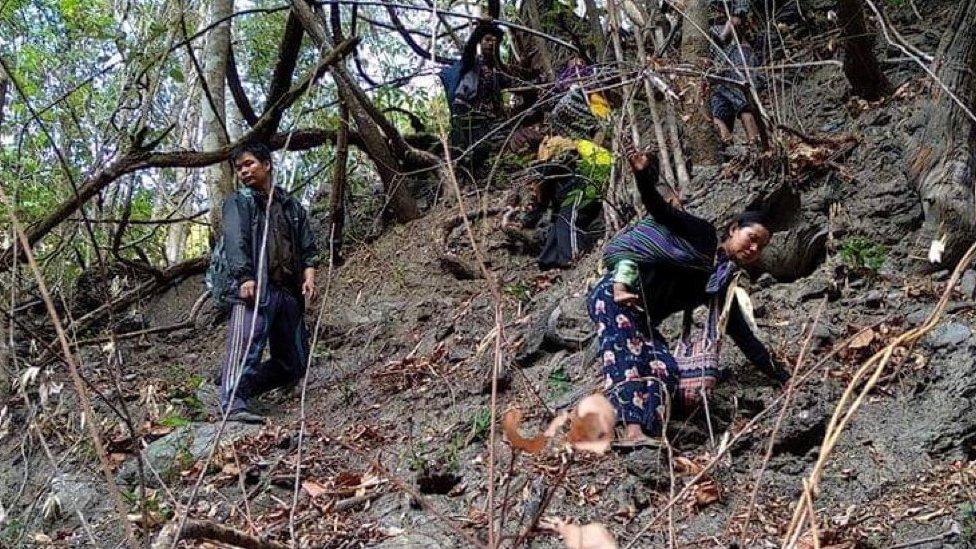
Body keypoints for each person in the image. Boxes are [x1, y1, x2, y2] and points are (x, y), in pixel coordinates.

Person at [586, 151, 788, 445]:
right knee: (628, 354)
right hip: (614, 295)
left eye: (761, 247)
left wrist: (781, 376)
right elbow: (661, 211)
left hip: (641, 315)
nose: (755, 248)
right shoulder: (702, 235)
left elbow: (741, 334)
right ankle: (631, 432)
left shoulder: (717, 283)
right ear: (733, 230)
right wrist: (643, 177)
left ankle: (646, 432)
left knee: (664, 368)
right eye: (752, 237)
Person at [218, 142, 318, 423]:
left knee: (293, 363)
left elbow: (306, 245)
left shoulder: (291, 206)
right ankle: (232, 402)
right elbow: (235, 241)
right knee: (246, 344)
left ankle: (240, 386)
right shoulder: (239, 202)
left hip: (287, 291)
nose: (244, 171)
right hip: (255, 286)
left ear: (267, 165)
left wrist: (309, 273)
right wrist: (245, 276)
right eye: (239, 168)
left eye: (249, 164)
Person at [447, 20, 513, 176]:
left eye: (494, 42)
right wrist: (482, 28)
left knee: (483, 147)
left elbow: (511, 82)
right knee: (459, 147)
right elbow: (470, 46)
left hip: (481, 116)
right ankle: (458, 176)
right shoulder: (471, 62)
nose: (491, 44)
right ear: (480, 42)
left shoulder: (496, 71)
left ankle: (469, 172)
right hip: (463, 108)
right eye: (487, 40)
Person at [707, 0, 766, 155]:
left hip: (736, 52)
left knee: (742, 101)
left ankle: (756, 148)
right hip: (716, 66)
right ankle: (731, 153)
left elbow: (740, 13)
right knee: (715, 112)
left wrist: (727, 30)